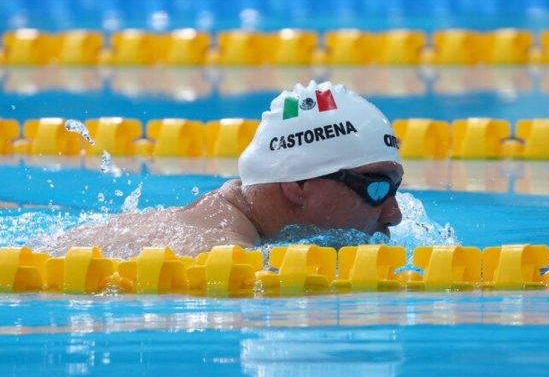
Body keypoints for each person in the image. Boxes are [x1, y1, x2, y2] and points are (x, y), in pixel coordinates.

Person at [36, 81, 404, 258]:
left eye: (396, 188)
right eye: (376, 189)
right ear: (296, 184)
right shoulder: (217, 255)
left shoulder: (216, 224)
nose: (395, 214)